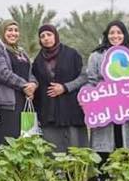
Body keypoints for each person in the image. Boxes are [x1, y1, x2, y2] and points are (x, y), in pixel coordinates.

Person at [86, 21, 129, 160]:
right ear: (106, 35)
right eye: (112, 33)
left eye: (119, 33)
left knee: (125, 143)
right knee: (104, 146)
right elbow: (91, 81)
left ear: (124, 35)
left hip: (126, 109)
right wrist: (88, 98)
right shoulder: (96, 55)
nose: (115, 36)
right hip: (104, 109)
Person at [31, 24, 88, 152]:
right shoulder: (38, 61)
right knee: (53, 152)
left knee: (75, 150)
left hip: (71, 110)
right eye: (42, 36)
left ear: (55, 36)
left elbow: (84, 77)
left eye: (49, 34)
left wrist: (65, 87)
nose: (46, 38)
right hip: (49, 114)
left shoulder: (72, 54)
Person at [0, 19, 37, 149]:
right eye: (9, 30)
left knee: (24, 141)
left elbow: (31, 72)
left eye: (16, 30)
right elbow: (2, 73)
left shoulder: (21, 51)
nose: (13, 33)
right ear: (3, 32)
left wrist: (33, 85)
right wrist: (24, 86)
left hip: (24, 101)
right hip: (7, 104)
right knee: (6, 143)